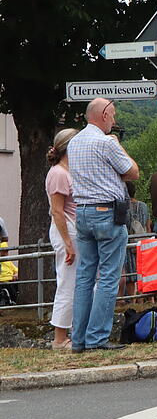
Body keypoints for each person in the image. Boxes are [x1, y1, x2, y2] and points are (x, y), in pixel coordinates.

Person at [67, 97, 139, 352]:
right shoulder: (107, 142)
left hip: (83, 213)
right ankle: (97, 338)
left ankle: (78, 339)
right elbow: (132, 172)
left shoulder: (74, 143)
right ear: (105, 116)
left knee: (85, 277)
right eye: (114, 115)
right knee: (109, 277)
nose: (115, 120)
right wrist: (119, 146)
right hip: (107, 214)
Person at [45, 128, 79, 350]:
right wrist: (68, 243)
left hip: (71, 229)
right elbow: (57, 211)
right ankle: (59, 338)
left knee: (74, 282)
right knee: (67, 282)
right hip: (66, 229)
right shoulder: (59, 173)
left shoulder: (66, 170)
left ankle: (70, 333)